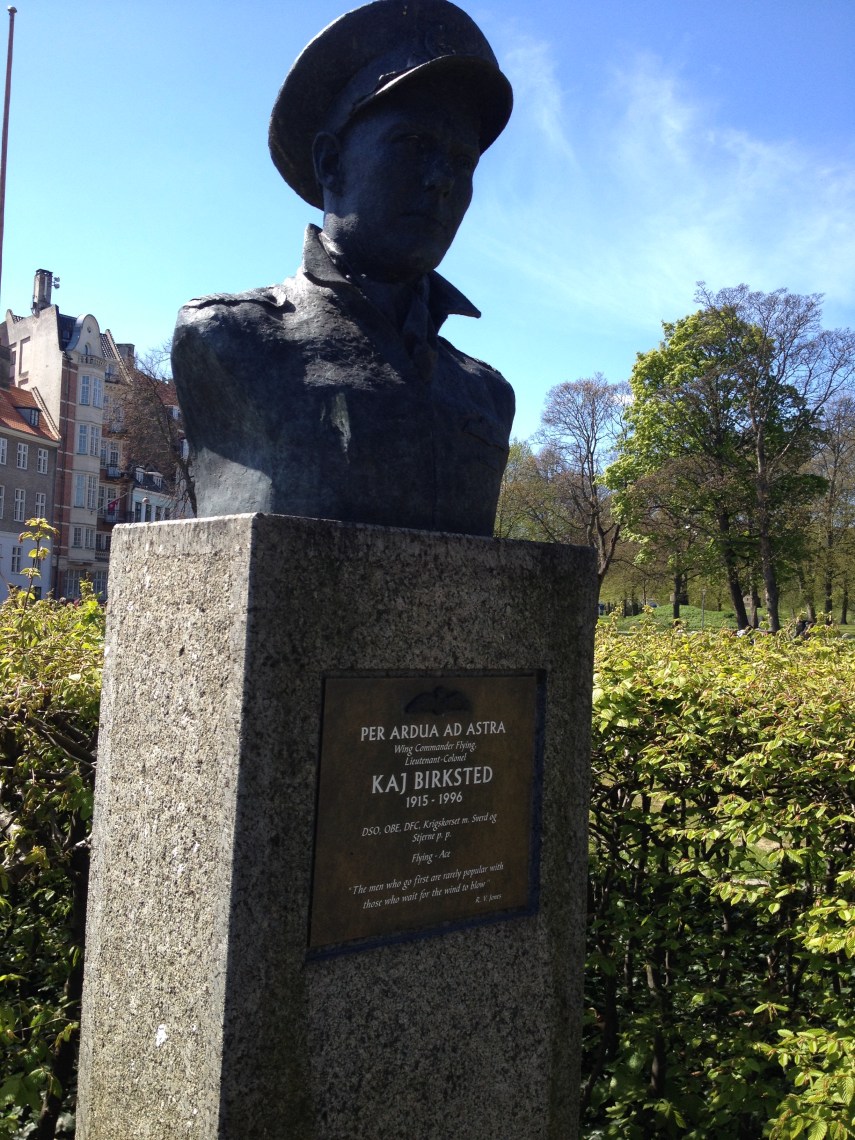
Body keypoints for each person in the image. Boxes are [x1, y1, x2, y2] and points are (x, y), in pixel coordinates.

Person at [172, 0, 515, 536]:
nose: (443, 179)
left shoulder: (488, 395)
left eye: (462, 160)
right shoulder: (230, 338)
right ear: (331, 161)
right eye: (414, 144)